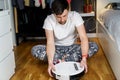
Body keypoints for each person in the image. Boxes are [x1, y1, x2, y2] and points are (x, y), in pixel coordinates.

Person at [31, 0, 98, 77]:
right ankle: (70, 59)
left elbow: (83, 38)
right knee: (35, 49)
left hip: (72, 48)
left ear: (68, 10)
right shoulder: (49, 20)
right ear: (54, 14)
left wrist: (84, 58)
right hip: (56, 49)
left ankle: (60, 61)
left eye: (64, 16)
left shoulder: (75, 16)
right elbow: (50, 42)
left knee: (94, 46)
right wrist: (50, 62)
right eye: (58, 17)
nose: (62, 20)